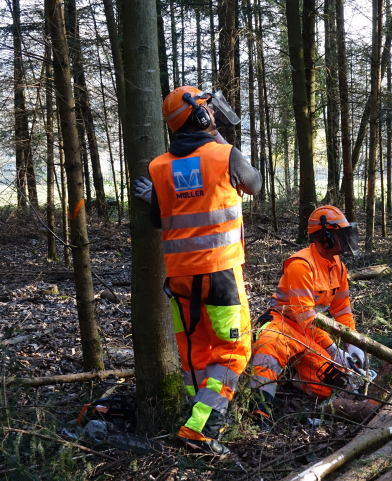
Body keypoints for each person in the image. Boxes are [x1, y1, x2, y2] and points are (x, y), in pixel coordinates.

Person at [134, 85, 261, 457]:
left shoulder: (158, 167)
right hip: (219, 274)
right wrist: (219, 139)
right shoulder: (225, 155)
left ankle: (197, 413)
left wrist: (154, 196)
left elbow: (160, 219)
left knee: (195, 353)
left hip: (179, 278)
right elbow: (254, 184)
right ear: (204, 117)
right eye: (210, 113)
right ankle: (201, 427)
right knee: (234, 349)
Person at [248, 206, 365, 423]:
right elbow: (304, 316)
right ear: (326, 238)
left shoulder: (339, 268)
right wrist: (332, 349)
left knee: (331, 380)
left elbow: (342, 311)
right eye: (342, 234)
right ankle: (259, 414)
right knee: (270, 349)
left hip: (312, 331)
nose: (348, 239)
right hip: (283, 322)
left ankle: (293, 374)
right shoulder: (300, 265)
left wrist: (352, 342)